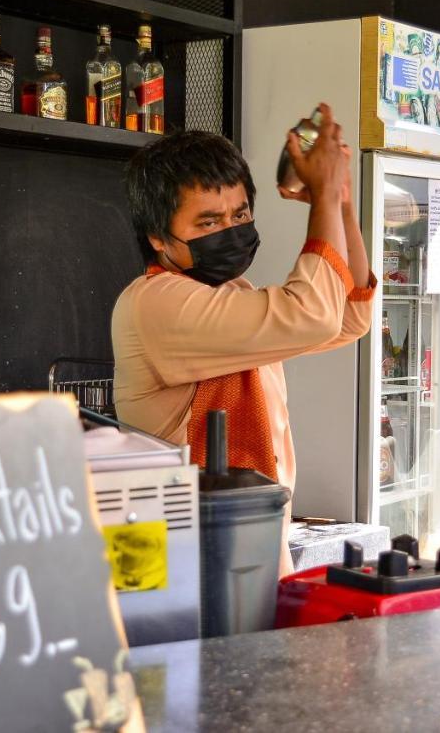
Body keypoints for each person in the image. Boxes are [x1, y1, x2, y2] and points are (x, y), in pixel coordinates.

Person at [111, 104, 374, 572]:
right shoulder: (155, 304)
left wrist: (341, 201)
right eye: (208, 223)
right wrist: (325, 196)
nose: (231, 231)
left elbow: (347, 316)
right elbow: (311, 312)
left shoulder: (233, 295)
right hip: (183, 563)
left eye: (241, 214)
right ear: (157, 236)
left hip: (255, 548)